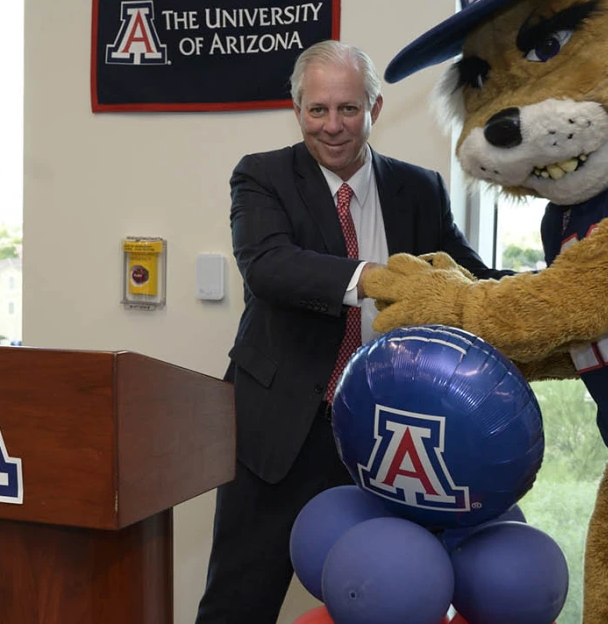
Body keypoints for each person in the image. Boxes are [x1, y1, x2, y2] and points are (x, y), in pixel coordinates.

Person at [195, 40, 505, 623]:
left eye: (348, 109)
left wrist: (554, 287)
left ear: (375, 109)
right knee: (240, 599)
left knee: (384, 600)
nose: (332, 126)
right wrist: (379, 278)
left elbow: (469, 278)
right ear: (298, 110)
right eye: (318, 110)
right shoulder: (261, 176)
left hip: (387, 434)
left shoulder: (420, 189)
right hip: (281, 431)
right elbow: (268, 266)